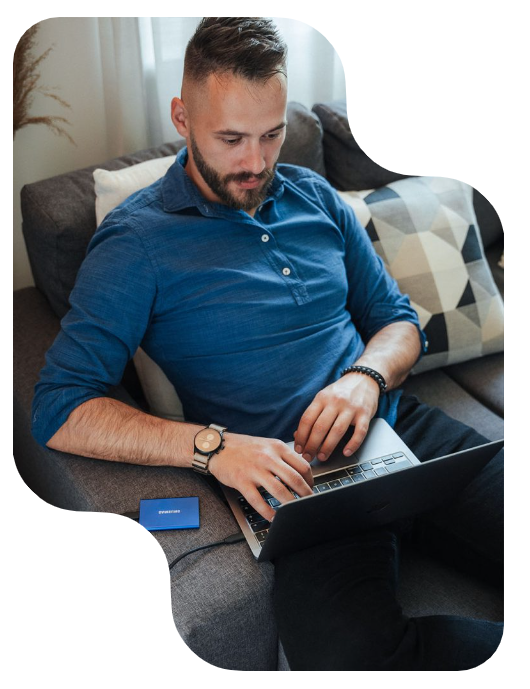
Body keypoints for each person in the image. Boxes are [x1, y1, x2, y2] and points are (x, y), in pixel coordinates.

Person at [32, 17, 503, 671]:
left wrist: (364, 377)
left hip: (405, 433)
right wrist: (212, 447)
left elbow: (398, 321)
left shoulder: (314, 194)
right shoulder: (137, 244)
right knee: (345, 658)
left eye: (272, 133)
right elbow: (59, 406)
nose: (255, 164)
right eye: (231, 138)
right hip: (295, 483)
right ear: (182, 116)